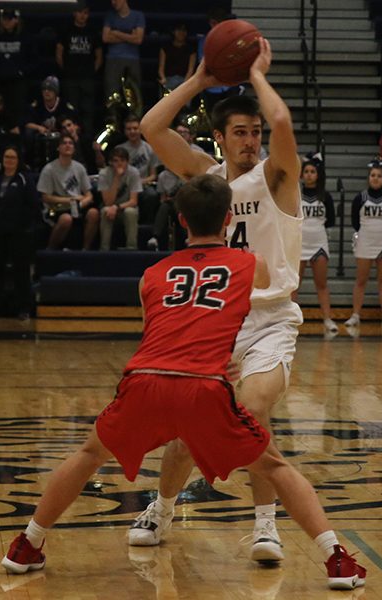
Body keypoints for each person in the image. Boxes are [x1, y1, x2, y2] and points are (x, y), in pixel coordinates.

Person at [0, 174, 366, 590]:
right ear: (228, 219)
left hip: (145, 380)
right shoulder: (250, 264)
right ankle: (336, 559)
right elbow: (261, 288)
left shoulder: (152, 274)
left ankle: (27, 544)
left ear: (179, 220)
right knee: (275, 466)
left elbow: (157, 333)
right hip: (200, 387)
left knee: (88, 454)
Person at [132, 38, 306, 566]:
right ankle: (160, 509)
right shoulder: (206, 179)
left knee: (250, 410)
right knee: (189, 423)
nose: (251, 140)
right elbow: (151, 129)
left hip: (272, 316)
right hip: (215, 318)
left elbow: (282, 125)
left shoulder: (277, 176)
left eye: (254, 133)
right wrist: (200, 80)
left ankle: (265, 526)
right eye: (240, 133)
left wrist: (256, 75)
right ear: (220, 138)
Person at [0, 145, 37, 320]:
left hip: (18, 233)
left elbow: (33, 204)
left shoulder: (24, 179)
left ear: (18, 160)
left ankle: (24, 308)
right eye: (6, 157)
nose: (9, 161)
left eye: (12, 157)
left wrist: (23, 225)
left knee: (21, 271)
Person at [345, 161, 382, 331]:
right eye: (373, 175)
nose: (375, 179)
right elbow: (355, 221)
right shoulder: (360, 198)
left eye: (379, 176)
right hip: (365, 240)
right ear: (368, 178)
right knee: (361, 280)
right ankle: (355, 315)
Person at [296, 156, 338, 333]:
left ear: (318, 175)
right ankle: (290, 322)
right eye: (306, 171)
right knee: (294, 285)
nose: (309, 175)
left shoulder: (325, 196)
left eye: (312, 171)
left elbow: (331, 220)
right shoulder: (295, 194)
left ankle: (327, 319)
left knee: (321, 283)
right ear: (301, 174)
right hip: (299, 243)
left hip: (319, 243)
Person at [37, 135, 99, 250]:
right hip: (57, 209)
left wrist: (80, 203)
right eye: (64, 143)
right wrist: (70, 200)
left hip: (77, 207)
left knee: (93, 213)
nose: (68, 145)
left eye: (70, 143)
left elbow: (89, 195)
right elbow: (45, 197)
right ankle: (50, 250)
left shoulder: (79, 168)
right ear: (58, 148)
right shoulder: (49, 169)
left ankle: (85, 250)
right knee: (66, 219)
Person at [56, 1, 102, 134]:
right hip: (71, 77)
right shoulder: (66, 30)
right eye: (80, 12)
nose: (83, 16)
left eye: (86, 13)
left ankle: (87, 137)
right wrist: (66, 70)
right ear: (74, 13)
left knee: (88, 110)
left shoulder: (92, 31)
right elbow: (59, 53)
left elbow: (99, 55)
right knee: (72, 110)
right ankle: (72, 136)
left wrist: (92, 71)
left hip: (87, 77)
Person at [0, 9, 29, 127]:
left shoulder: (24, 38)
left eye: (9, 19)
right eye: (4, 19)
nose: (6, 22)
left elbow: (33, 59)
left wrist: (21, 72)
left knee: (16, 111)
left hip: (17, 82)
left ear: (16, 20)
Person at [117, 114, 160, 222]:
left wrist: (140, 181)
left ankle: (147, 226)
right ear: (125, 131)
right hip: (125, 185)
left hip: (143, 185)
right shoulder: (120, 149)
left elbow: (153, 175)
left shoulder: (150, 148)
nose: (132, 131)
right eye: (129, 129)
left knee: (152, 195)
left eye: (135, 128)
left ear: (140, 130)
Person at [97, 145, 141, 251]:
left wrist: (117, 207)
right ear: (111, 162)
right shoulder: (104, 174)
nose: (120, 164)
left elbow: (133, 201)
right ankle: (104, 249)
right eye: (116, 161)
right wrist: (117, 178)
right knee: (105, 210)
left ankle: (132, 247)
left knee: (130, 212)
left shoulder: (134, 172)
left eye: (122, 160)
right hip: (110, 208)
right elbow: (108, 202)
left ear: (128, 161)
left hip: (126, 206)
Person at [102, 0, 145, 100]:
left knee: (133, 89)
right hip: (113, 58)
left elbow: (138, 39)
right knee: (111, 88)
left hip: (132, 58)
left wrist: (116, 33)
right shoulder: (110, 16)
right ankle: (112, 114)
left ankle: (133, 114)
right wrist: (130, 36)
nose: (113, 2)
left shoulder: (138, 15)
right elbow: (105, 38)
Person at [158, 22, 195, 94]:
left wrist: (185, 83)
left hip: (184, 80)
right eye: (179, 30)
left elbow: (190, 70)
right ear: (173, 32)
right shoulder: (165, 48)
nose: (181, 33)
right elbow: (161, 68)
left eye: (184, 30)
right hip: (169, 80)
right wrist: (163, 79)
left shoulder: (191, 49)